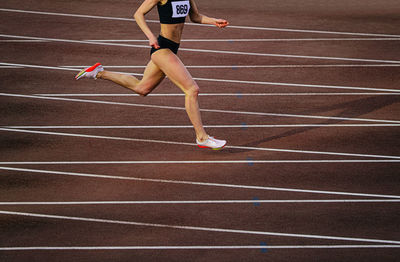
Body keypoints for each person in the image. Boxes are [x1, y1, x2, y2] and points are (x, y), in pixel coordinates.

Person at [75, 0, 229, 150]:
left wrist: (213, 21)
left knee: (141, 88)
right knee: (192, 89)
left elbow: (195, 16)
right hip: (161, 48)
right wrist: (150, 36)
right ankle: (201, 137)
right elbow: (138, 14)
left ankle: (98, 72)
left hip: (172, 48)